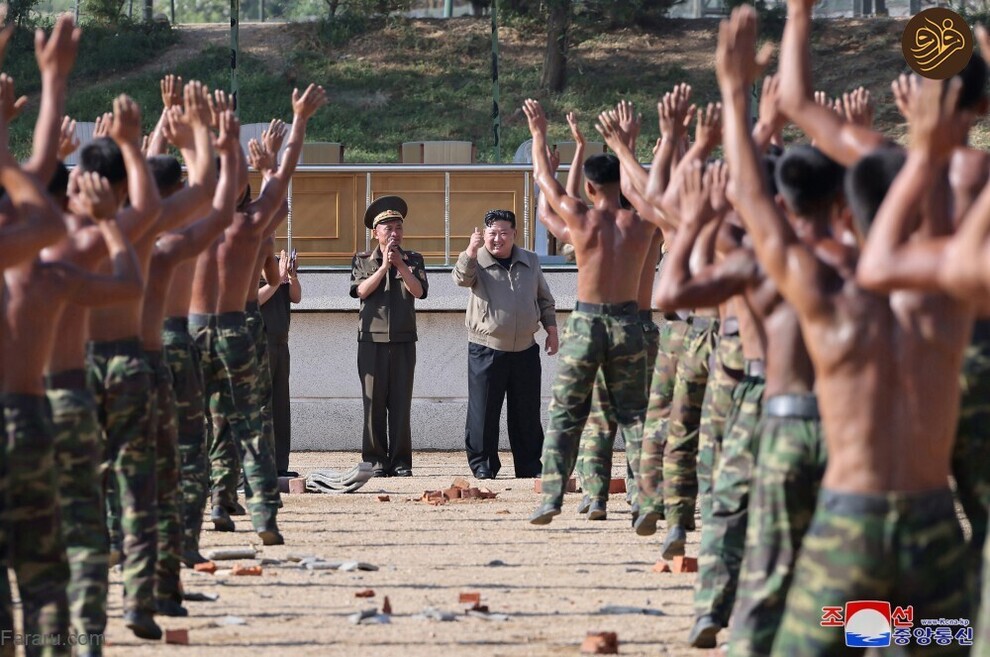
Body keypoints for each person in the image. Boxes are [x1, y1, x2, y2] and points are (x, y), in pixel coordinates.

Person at [717, 8, 972, 655]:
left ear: (845, 217)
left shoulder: (828, 296)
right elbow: (945, 227)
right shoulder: (950, 294)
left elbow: (751, 202)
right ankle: (886, 634)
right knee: (945, 636)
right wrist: (935, 146)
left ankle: (868, 632)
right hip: (932, 525)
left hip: (850, 522)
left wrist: (732, 87)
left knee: (816, 636)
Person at [522, 99, 656, 525]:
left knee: (567, 409)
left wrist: (540, 133)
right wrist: (628, 147)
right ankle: (646, 500)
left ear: (591, 189)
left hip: (587, 319)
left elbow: (545, 185)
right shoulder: (640, 225)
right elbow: (647, 194)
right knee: (635, 414)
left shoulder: (580, 219)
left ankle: (552, 498)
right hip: (629, 321)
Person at [451, 209, 558, 479]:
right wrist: (470, 252)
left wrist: (551, 330)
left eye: (503, 233)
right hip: (486, 347)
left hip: (525, 348)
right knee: (484, 411)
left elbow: (544, 299)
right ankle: (483, 465)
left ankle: (530, 465)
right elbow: (461, 279)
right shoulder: (476, 260)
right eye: (492, 233)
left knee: (526, 412)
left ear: (514, 234)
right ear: (484, 234)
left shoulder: (530, 260)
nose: (497, 239)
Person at [349, 195, 429, 477]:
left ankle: (400, 461)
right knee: (373, 404)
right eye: (388, 228)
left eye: (398, 227)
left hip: (404, 340)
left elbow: (418, 292)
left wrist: (401, 267)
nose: (394, 233)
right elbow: (360, 292)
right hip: (371, 340)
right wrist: (383, 266)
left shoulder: (414, 259)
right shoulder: (361, 260)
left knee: (400, 403)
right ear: (376, 232)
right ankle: (374, 461)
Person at [260, 248, 302, 478]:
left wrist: (292, 277)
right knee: (261, 407)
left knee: (279, 406)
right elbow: (250, 301)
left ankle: (279, 465)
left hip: (280, 341)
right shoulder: (246, 260)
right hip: (258, 341)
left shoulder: (278, 261)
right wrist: (276, 280)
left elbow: (296, 297)